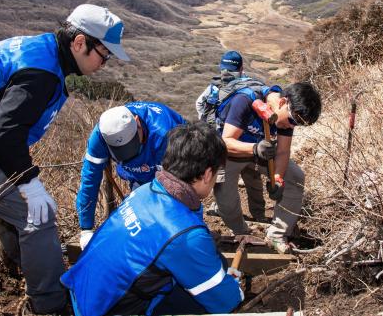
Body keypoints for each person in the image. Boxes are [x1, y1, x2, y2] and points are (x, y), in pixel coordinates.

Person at [0, 4, 129, 315]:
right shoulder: (40, 75)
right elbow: (4, 136)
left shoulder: (43, 50)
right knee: (37, 216)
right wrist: (29, 184)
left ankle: (22, 266)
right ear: (79, 42)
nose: (106, 62)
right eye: (104, 53)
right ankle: (50, 305)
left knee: (12, 207)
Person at [62, 122, 244, 316]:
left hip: (82, 292)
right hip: (106, 310)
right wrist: (234, 288)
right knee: (210, 300)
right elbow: (225, 302)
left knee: (207, 268)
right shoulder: (184, 234)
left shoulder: (145, 191)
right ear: (208, 174)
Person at [213, 81, 321, 254]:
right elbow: (225, 143)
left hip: (262, 153)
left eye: (297, 125)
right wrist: (254, 148)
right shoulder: (244, 101)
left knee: (295, 177)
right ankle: (240, 232)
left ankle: (277, 234)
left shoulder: (286, 118)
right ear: (282, 102)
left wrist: (277, 178)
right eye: (292, 121)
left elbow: (283, 152)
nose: (292, 126)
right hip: (230, 153)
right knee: (226, 198)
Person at [76, 102, 186, 249]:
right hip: (137, 176)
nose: (129, 154)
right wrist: (86, 229)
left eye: (132, 146)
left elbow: (181, 182)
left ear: (137, 123)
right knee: (141, 219)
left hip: (174, 165)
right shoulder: (101, 135)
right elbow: (90, 179)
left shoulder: (165, 132)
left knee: (171, 218)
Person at [195, 50, 249, 122]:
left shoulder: (249, 86)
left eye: (231, 70)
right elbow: (199, 103)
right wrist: (205, 120)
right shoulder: (215, 86)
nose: (226, 72)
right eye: (224, 69)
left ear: (241, 69)